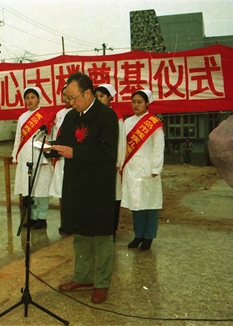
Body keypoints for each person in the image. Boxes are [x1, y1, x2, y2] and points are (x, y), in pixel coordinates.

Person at [47, 72, 118, 304]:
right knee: (81, 234)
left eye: (74, 98)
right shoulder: (70, 117)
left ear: (88, 93)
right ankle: (82, 277)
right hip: (76, 183)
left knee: (101, 235)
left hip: (99, 185)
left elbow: (106, 151)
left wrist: (74, 153)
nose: (70, 102)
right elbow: (64, 141)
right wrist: (49, 148)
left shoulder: (107, 116)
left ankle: (102, 283)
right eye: (68, 98)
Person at [121, 89, 164, 251]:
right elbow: (123, 146)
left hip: (148, 169)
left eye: (140, 102)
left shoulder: (154, 123)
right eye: (134, 102)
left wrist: (156, 168)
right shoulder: (127, 123)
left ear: (147, 103)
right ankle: (138, 235)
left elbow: (159, 147)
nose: (136, 105)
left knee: (150, 204)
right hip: (132, 169)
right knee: (136, 203)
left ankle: (148, 236)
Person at [12, 86, 53, 230]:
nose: (29, 101)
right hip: (25, 156)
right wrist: (15, 154)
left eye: (32, 97)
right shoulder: (22, 117)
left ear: (38, 99)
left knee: (41, 188)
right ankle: (32, 217)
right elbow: (18, 137)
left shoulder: (44, 115)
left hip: (39, 156)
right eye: (27, 98)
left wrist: (45, 155)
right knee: (29, 188)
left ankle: (42, 217)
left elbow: (49, 138)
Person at [94, 84, 126, 241]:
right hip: (95, 163)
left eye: (102, 96)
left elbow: (121, 143)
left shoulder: (116, 116)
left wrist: (118, 162)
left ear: (110, 98)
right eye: (97, 96)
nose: (99, 99)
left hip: (111, 164)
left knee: (112, 196)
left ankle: (111, 230)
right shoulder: (92, 115)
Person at [49, 85, 72, 233]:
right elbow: (53, 136)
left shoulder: (80, 112)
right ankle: (65, 222)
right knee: (61, 192)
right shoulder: (58, 114)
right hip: (60, 158)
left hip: (74, 157)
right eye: (64, 95)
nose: (67, 98)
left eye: (69, 95)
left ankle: (75, 222)